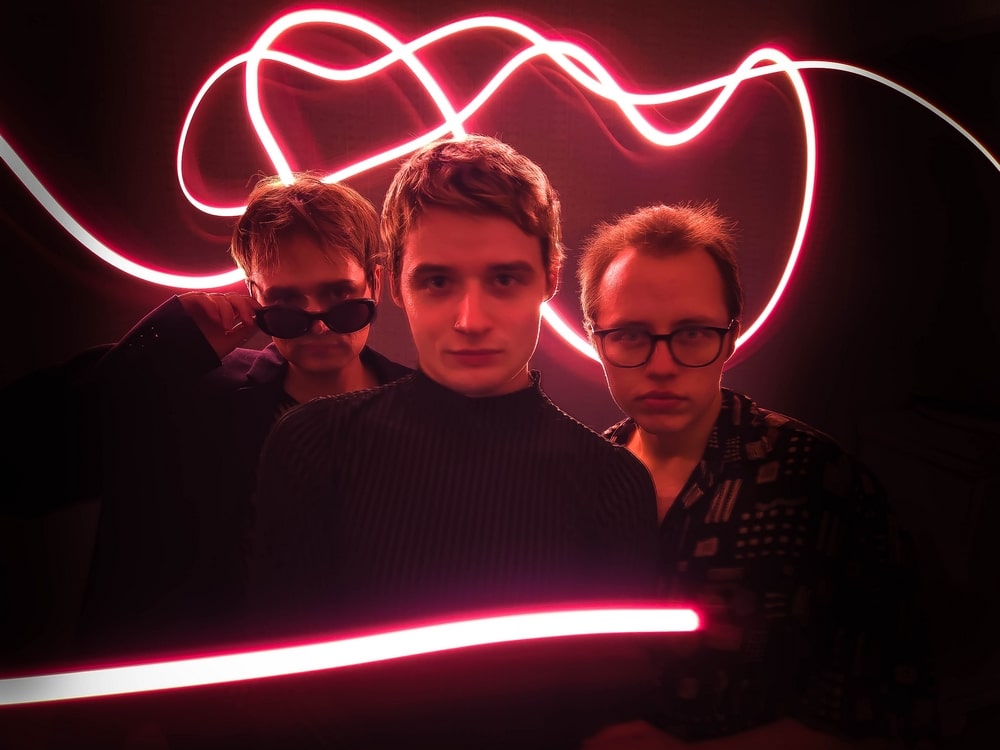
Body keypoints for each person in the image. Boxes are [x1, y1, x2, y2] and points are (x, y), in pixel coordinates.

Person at [249, 134, 659, 647]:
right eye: (438, 282)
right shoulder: (315, 446)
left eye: (504, 279)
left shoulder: (613, 485)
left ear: (550, 279)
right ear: (395, 284)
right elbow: (284, 671)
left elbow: (609, 682)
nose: (471, 321)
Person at [1, 172, 411, 662]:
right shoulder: (187, 394)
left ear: (375, 283)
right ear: (255, 296)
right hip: (204, 698)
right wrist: (169, 345)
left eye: (340, 298)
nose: (318, 326)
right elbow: (20, 467)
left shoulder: (430, 414)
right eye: (287, 305)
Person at [575, 202, 937, 748]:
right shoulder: (580, 482)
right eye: (629, 335)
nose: (662, 365)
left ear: (731, 337)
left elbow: (889, 706)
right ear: (594, 339)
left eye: (693, 333)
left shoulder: (816, 479)